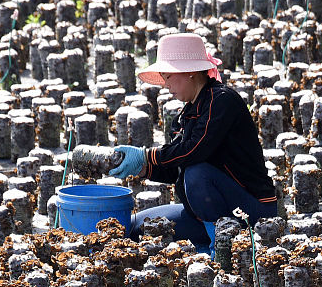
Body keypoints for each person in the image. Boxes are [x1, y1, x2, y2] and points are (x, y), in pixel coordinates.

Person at [107, 32, 277, 253]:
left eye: (168, 76)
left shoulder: (222, 101)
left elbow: (195, 150)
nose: (166, 86)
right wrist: (143, 168)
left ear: (189, 73)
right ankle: (207, 239)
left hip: (250, 209)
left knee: (197, 172)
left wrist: (145, 154)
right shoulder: (185, 116)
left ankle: (223, 248)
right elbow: (176, 170)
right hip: (205, 210)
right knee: (138, 227)